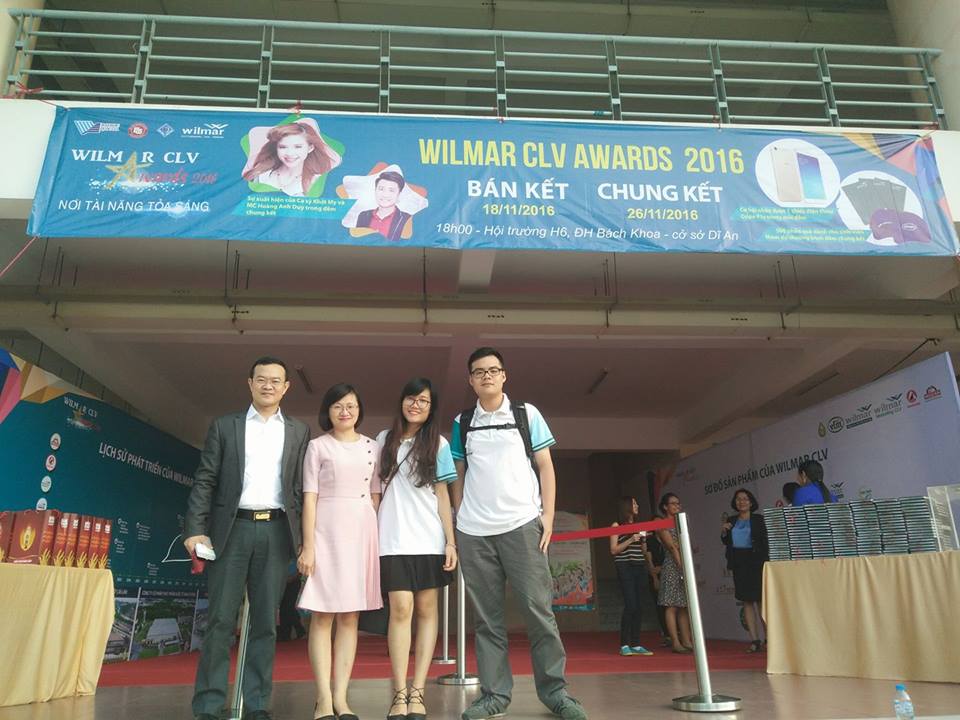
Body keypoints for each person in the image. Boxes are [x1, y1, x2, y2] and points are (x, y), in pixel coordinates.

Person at [450, 347, 587, 720]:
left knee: (538, 612)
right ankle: (494, 696)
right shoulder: (463, 422)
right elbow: (458, 472)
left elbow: (545, 465)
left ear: (504, 375)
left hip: (522, 525)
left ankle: (556, 693)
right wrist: (460, 515)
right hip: (475, 532)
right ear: (471, 380)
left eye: (493, 370)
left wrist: (549, 514)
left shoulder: (526, 414)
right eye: (479, 372)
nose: (487, 376)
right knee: (487, 621)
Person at [183, 356, 310, 720]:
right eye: (261, 379)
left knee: (266, 623)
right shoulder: (225, 426)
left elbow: (299, 489)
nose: (268, 385)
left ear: (286, 387)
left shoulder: (299, 432)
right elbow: (206, 479)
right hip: (231, 531)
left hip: (276, 531)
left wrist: (304, 539)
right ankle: (208, 705)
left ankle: (256, 704)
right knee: (220, 621)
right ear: (250, 383)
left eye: (276, 381)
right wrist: (195, 529)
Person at [298, 383, 382, 720]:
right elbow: (309, 497)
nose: (345, 411)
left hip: (361, 531)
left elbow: (376, 493)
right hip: (326, 532)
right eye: (337, 406)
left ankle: (341, 698)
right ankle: (322, 698)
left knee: (350, 616)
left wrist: (369, 526)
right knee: (323, 615)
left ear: (359, 410)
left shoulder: (373, 447)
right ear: (328, 411)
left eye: (351, 405)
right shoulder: (317, 446)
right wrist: (308, 545)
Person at [376, 378, 458, 720]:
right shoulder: (383, 439)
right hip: (391, 538)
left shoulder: (438, 443)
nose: (416, 405)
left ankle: (418, 691)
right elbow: (375, 491)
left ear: (430, 408)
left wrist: (450, 541)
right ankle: (399, 691)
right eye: (411, 398)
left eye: (424, 401)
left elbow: (442, 495)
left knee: (426, 609)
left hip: (428, 538)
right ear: (402, 401)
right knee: (400, 608)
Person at [720, 489, 769, 653]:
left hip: (756, 562)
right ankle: (755, 640)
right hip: (739, 563)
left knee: (761, 601)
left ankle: (769, 638)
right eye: (738, 499)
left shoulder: (758, 519)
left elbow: (764, 541)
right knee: (747, 601)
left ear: (751, 502)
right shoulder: (731, 520)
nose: (741, 502)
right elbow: (726, 541)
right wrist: (724, 531)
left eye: (745, 499)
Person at [243, 121, 341, 197]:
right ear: (276, 148)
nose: (290, 153)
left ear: (310, 148)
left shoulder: (317, 182)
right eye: (283, 147)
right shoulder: (260, 176)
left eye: (298, 147)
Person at [609, 496, 653, 656]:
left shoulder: (638, 525)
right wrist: (631, 539)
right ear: (626, 506)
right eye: (634, 503)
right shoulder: (616, 525)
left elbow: (643, 550)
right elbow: (613, 549)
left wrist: (643, 540)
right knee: (630, 605)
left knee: (639, 606)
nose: (637, 506)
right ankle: (624, 644)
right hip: (624, 566)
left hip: (639, 565)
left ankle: (636, 643)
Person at [656, 492, 693, 654]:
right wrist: (681, 566)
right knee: (671, 605)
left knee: (683, 605)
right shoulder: (660, 522)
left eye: (678, 503)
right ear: (665, 506)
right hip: (672, 565)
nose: (677, 506)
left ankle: (687, 640)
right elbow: (672, 547)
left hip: (684, 563)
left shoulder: (681, 521)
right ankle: (675, 642)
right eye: (673, 503)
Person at [356, 171, 412, 240]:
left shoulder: (407, 219)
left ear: (399, 194)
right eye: (381, 189)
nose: (385, 195)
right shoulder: (363, 216)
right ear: (375, 191)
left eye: (391, 190)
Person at [642, 515, 670, 647]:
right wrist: (654, 578)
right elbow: (648, 561)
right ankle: (667, 634)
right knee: (660, 606)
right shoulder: (650, 541)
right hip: (656, 576)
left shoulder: (669, 538)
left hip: (670, 574)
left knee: (672, 606)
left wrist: (664, 568)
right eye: (655, 524)